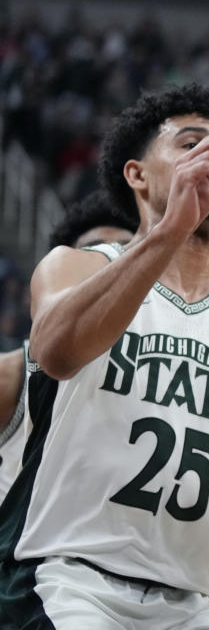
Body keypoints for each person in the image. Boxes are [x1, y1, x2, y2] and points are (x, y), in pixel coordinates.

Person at [0, 83, 209, 629]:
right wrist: (168, 231)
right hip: (70, 585)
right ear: (138, 175)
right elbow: (56, 352)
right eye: (191, 145)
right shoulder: (76, 266)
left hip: (191, 607)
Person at [0, 189, 138, 503]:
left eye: (127, 256)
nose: (111, 268)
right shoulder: (14, 376)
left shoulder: (177, 380)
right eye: (94, 255)